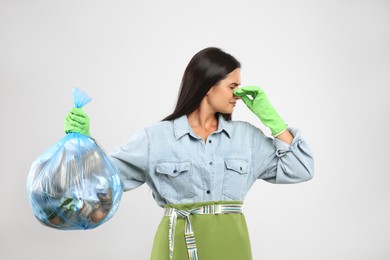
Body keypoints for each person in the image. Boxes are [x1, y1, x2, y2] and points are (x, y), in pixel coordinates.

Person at [64, 47, 314, 260]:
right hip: (176, 249)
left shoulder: (246, 138)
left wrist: (274, 121)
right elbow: (103, 180)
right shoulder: (155, 138)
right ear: (208, 86)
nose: (238, 95)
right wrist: (83, 143)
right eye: (233, 86)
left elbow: (301, 168)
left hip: (231, 249)